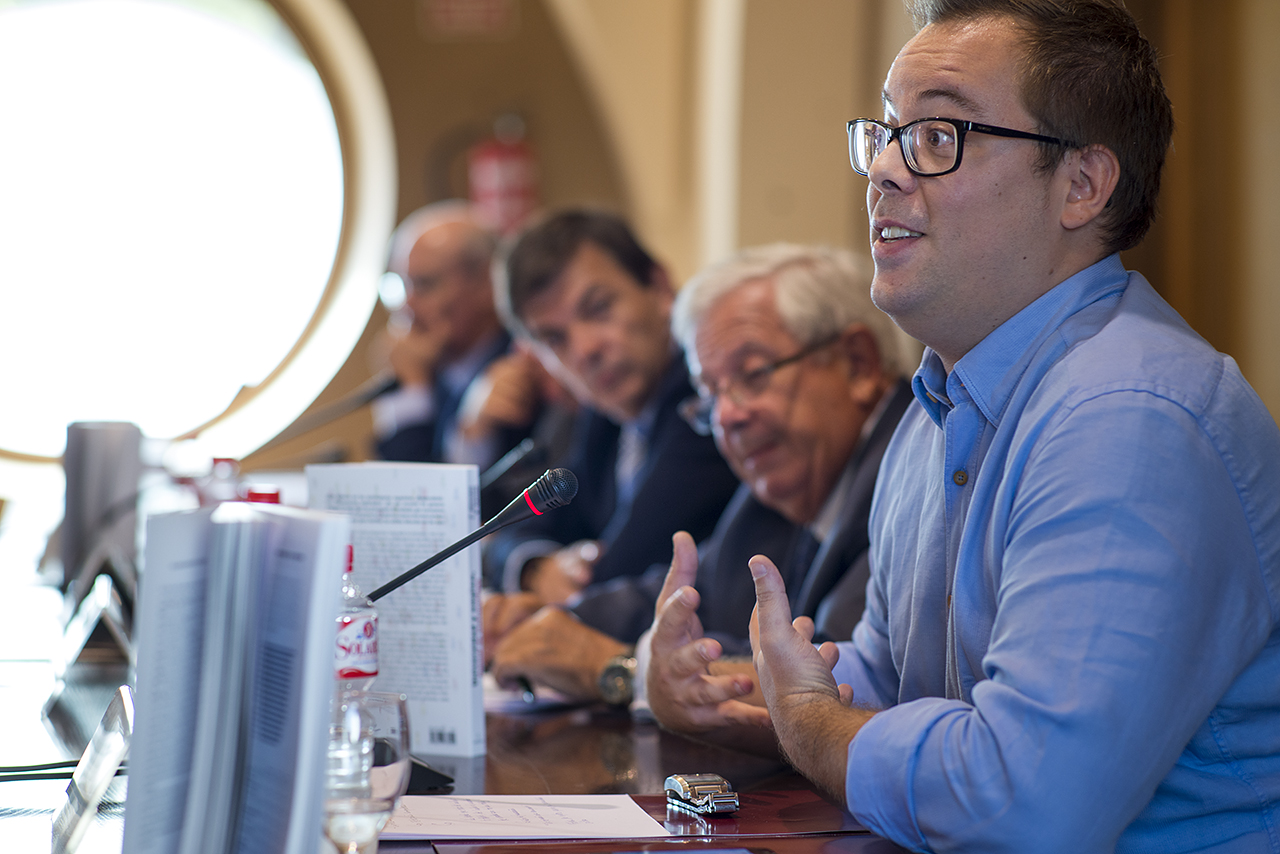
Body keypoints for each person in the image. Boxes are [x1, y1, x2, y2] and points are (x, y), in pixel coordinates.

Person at [650, 1, 1280, 850]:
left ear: (1082, 185)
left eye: (937, 136)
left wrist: (806, 720)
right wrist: (718, 689)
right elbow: (879, 686)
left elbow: (1021, 805)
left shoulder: (1131, 419)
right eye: (886, 131)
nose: (884, 170)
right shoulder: (938, 406)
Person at [488, 244, 915, 706]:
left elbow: (840, 682)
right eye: (711, 395)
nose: (727, 416)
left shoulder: (913, 478)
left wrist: (613, 668)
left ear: (857, 364)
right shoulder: (789, 481)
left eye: (753, 374)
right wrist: (553, 622)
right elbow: (694, 595)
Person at [481, 209, 740, 614]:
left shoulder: (705, 400)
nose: (585, 349)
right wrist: (537, 566)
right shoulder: (604, 419)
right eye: (554, 338)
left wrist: (564, 580)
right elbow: (517, 527)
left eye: (599, 308)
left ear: (659, 288)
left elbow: (619, 571)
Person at [373, 201, 523, 473]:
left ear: (487, 283)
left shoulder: (521, 363)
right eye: (400, 285)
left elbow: (422, 491)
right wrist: (409, 388)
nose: (407, 305)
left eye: (425, 284)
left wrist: (411, 389)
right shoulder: (428, 369)